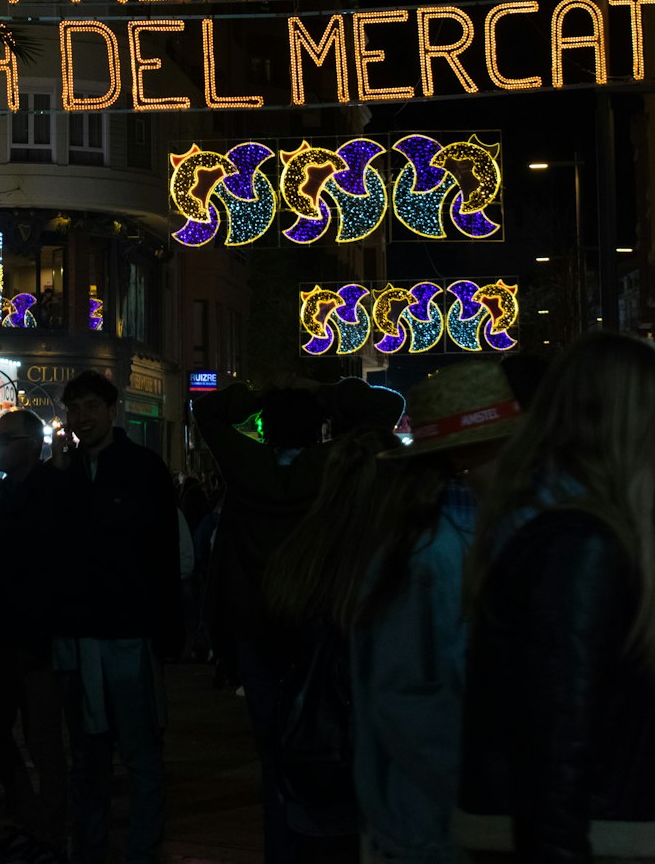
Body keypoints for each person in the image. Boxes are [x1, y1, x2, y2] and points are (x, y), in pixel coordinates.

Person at [457, 331, 655, 862]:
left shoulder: (560, 530)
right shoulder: (583, 547)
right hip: (596, 834)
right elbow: (557, 737)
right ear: (628, 426)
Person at [193, 375, 404, 863]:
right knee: (333, 737)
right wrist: (325, 394)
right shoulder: (331, 466)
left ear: (266, 430)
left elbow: (207, 413)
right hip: (321, 624)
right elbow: (385, 409)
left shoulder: (244, 467)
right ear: (318, 429)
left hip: (256, 627)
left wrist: (258, 394)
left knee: (271, 756)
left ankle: (282, 851)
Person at [341, 360, 520, 864]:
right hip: (433, 825)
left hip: (438, 819)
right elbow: (406, 701)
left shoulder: (449, 541)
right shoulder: (432, 554)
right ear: (474, 453)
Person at [51, 368, 182, 864]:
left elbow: (163, 553)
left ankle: (141, 849)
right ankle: (91, 847)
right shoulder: (67, 473)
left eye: (91, 407)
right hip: (83, 633)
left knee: (137, 751)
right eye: (75, 409)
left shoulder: (143, 469)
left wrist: (166, 629)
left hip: (128, 631)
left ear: (112, 409)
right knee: (89, 757)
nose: (82, 418)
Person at [0, 408, 67, 863]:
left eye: (3, 441)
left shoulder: (47, 493)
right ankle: (36, 820)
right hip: (9, 634)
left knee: (40, 736)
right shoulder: (16, 492)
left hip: (32, 635)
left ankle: (45, 826)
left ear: (29, 444)